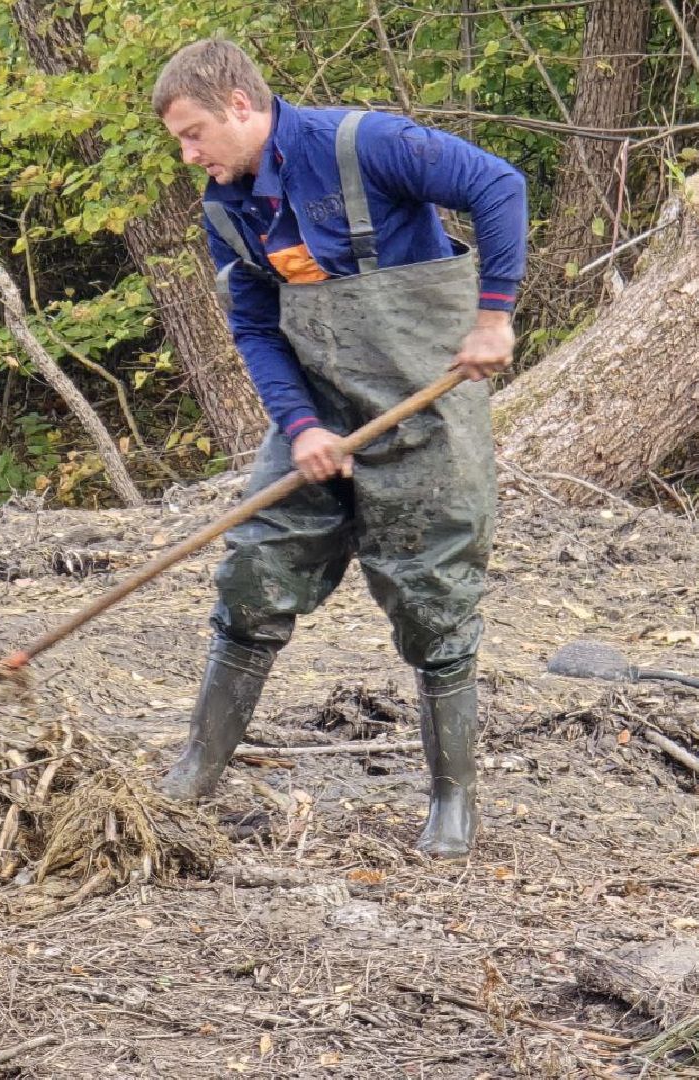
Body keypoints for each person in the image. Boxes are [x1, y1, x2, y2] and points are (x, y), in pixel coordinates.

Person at [151, 38, 526, 859]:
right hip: (321, 411)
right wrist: (302, 427)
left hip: (425, 409)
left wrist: (493, 316)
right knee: (254, 574)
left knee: (434, 599)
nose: (188, 155)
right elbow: (254, 325)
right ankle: (195, 771)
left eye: (193, 133)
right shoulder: (226, 207)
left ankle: (452, 805)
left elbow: (499, 184)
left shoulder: (366, 145)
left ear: (241, 107)